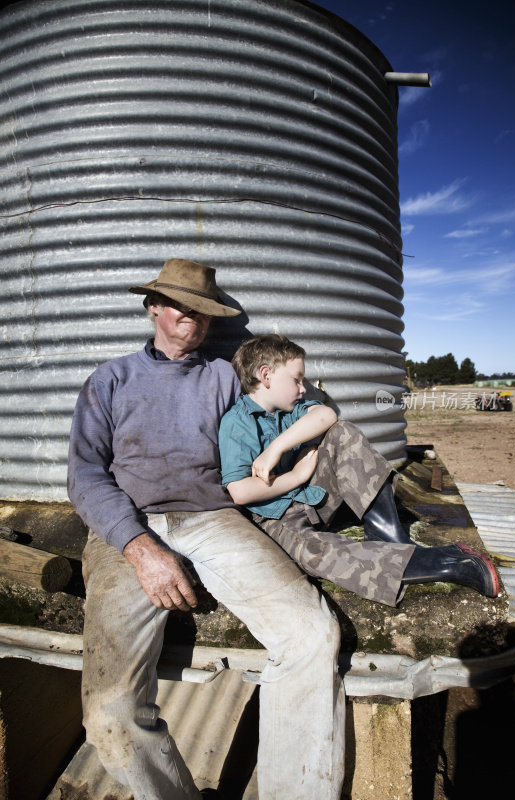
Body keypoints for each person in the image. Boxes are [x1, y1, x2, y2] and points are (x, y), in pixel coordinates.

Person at [67, 260, 345, 800]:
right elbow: (83, 475)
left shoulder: (223, 377)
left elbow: (303, 406)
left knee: (311, 634)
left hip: (212, 518)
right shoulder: (111, 380)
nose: (189, 316)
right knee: (111, 709)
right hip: (129, 529)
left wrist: (279, 450)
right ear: (153, 308)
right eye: (177, 304)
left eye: (201, 309)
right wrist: (139, 546)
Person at [218, 334, 500, 606]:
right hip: (276, 519)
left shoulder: (291, 409)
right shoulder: (237, 423)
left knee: (342, 433)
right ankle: (443, 563)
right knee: (315, 556)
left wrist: (276, 447)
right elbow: (240, 492)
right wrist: (296, 476)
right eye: (296, 380)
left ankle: (387, 535)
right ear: (266, 376)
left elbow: (327, 416)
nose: (303, 388)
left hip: (311, 498)